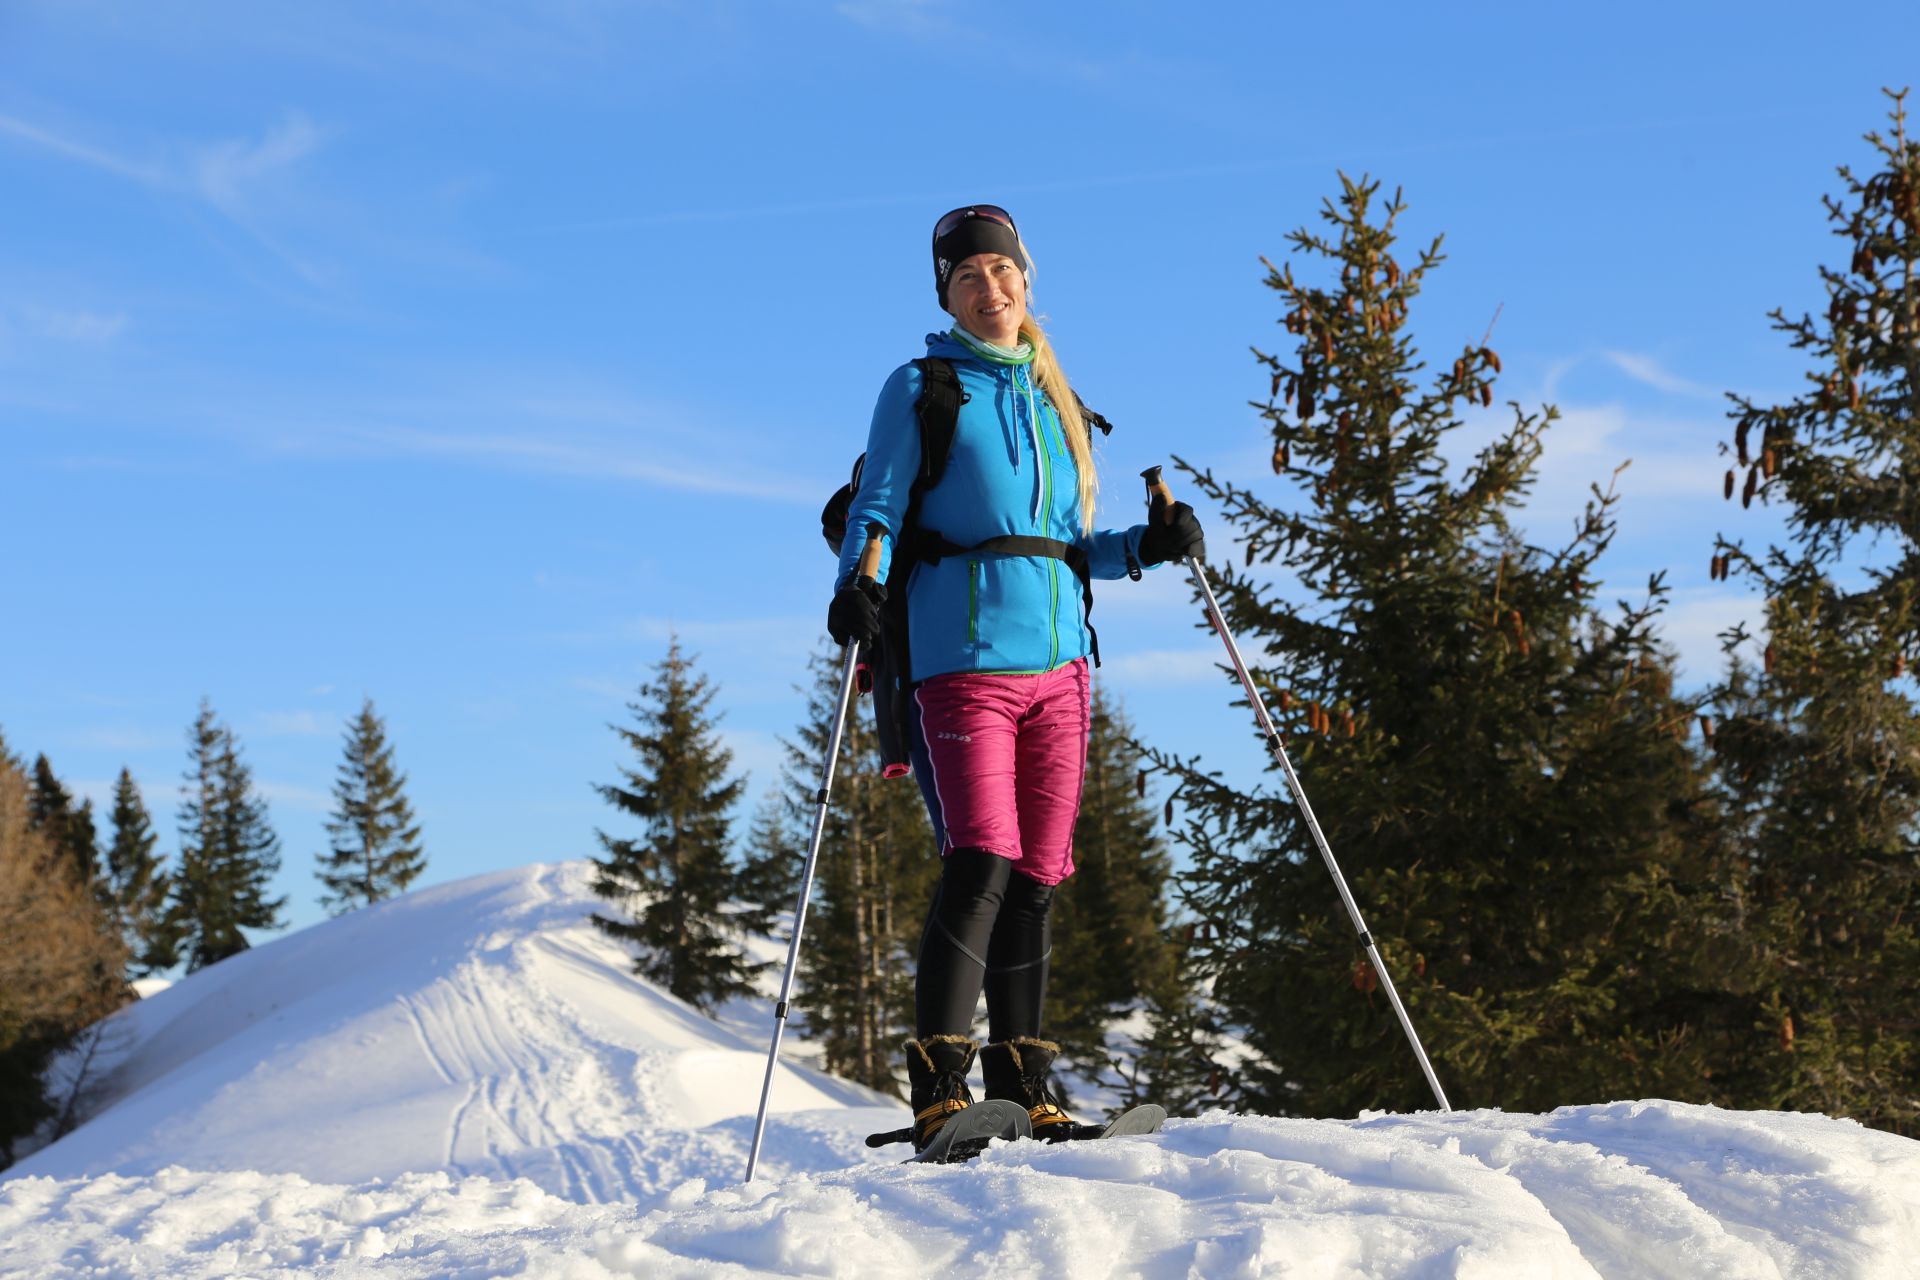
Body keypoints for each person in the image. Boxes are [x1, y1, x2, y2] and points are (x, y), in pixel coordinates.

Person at [826, 204, 1205, 1151]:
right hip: (962, 661)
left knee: (1038, 872)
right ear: (948, 295)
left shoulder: (1052, 398)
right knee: (983, 857)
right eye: (967, 277)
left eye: (1001, 271)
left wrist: (1147, 547)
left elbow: (1071, 550)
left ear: (1026, 282)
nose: (988, 288)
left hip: (1062, 666)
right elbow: (876, 505)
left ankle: (1027, 1087)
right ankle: (940, 1094)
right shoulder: (923, 386)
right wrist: (858, 589)